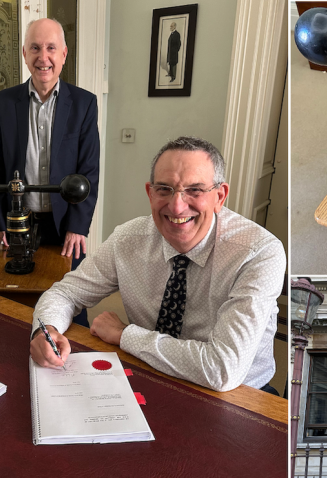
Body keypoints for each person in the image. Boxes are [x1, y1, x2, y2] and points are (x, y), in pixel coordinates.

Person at [29, 137, 286, 393]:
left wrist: (124, 334)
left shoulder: (260, 253)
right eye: (164, 189)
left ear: (220, 196)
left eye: (194, 190)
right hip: (148, 371)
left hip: (239, 396)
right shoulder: (127, 239)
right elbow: (66, 293)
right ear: (150, 193)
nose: (177, 206)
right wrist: (46, 330)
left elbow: (222, 370)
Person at [0, 18, 99, 328]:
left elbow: (89, 171)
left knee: (72, 304)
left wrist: (78, 227)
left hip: (66, 224)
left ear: (64, 54)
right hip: (17, 221)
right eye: (35, 48)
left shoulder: (85, 104)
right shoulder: (2, 103)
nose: (42, 57)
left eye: (50, 48)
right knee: (14, 303)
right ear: (24, 53)